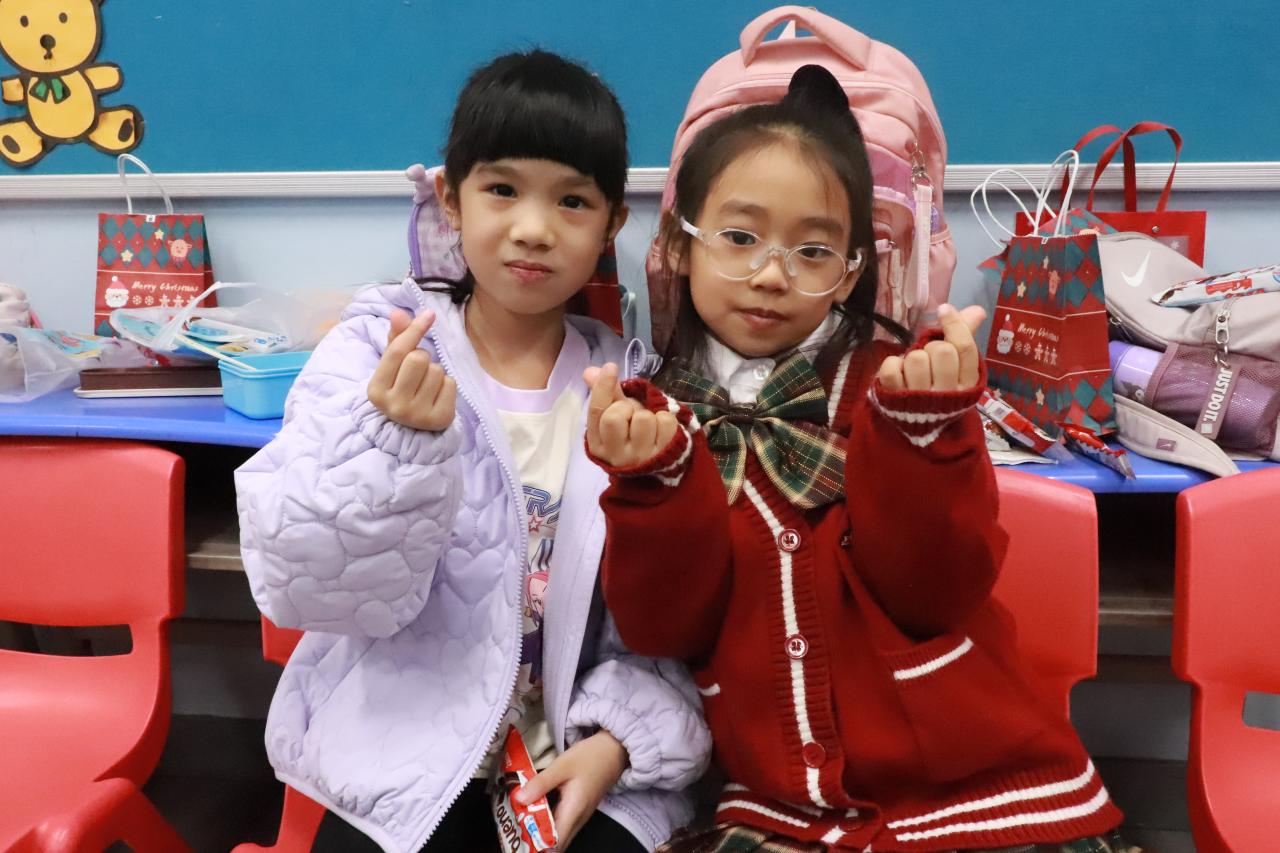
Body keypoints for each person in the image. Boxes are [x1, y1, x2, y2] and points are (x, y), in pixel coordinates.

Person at [582, 64, 1135, 853]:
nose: (771, 275)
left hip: (981, 789)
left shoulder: (895, 385)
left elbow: (936, 591)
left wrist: (924, 436)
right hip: (784, 809)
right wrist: (653, 486)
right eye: (739, 237)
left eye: (813, 250)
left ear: (850, 271)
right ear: (679, 242)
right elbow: (663, 627)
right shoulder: (657, 420)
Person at [235, 49, 709, 853]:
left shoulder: (632, 388)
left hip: (573, 743)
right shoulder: (377, 352)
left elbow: (665, 621)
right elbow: (308, 586)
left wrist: (616, 742)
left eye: (572, 201)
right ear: (450, 198)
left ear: (611, 225)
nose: (534, 228)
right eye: (502, 190)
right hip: (408, 753)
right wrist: (391, 443)